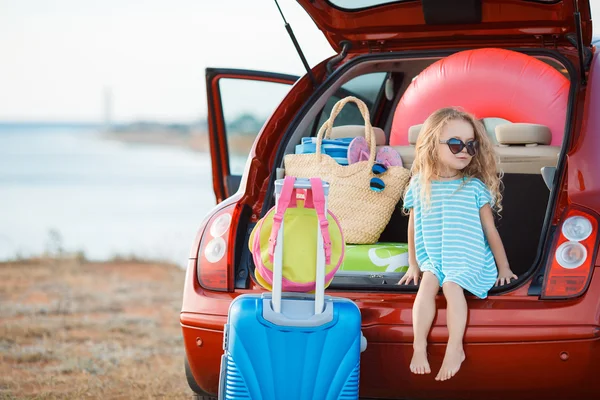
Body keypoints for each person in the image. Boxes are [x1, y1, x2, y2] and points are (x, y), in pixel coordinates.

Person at [397, 107, 518, 381]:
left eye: (471, 145)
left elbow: (491, 232)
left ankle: (455, 347)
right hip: (436, 257)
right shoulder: (419, 184)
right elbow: (413, 227)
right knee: (428, 283)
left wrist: (504, 268)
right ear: (432, 145)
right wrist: (413, 264)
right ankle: (419, 346)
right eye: (455, 144)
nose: (464, 150)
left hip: (468, 258)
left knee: (451, 286)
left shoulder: (474, 188)